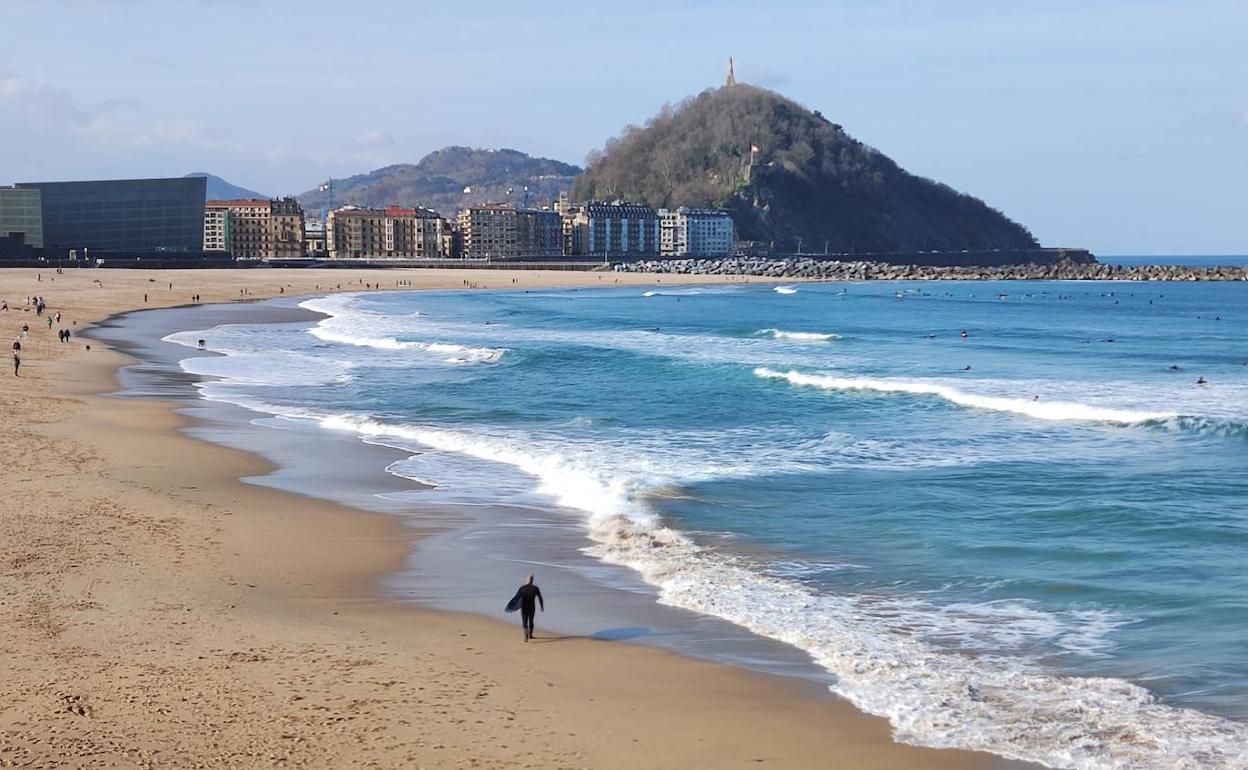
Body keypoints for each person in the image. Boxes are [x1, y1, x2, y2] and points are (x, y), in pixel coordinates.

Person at [512, 574, 544, 642]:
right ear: (532, 581)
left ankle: (526, 630)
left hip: (524, 607)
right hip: (532, 607)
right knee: (531, 621)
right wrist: (541, 606)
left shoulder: (522, 588)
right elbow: (540, 598)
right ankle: (530, 635)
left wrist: (514, 606)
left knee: (524, 621)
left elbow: (516, 598)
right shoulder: (536, 588)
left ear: (527, 580)